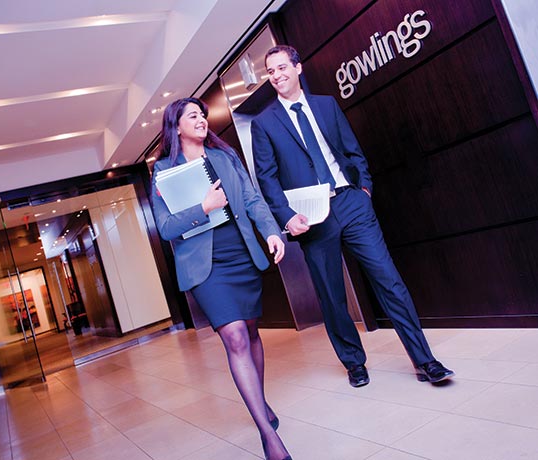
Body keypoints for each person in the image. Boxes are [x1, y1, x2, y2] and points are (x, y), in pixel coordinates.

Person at [251, 45, 454, 388]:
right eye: (271, 71)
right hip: (311, 217)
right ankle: (354, 363)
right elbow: (267, 178)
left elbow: (352, 151)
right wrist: (287, 218)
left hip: (351, 201)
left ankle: (425, 360)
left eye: (282, 67)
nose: (277, 75)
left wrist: (365, 192)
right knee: (332, 295)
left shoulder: (326, 105)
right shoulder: (263, 123)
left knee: (388, 279)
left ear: (298, 68)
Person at [151, 97, 291, 460]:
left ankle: (259, 403)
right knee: (235, 336)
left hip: (242, 253)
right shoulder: (164, 170)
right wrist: (203, 209)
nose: (201, 119)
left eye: (202, 114)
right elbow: (166, 227)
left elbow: (252, 199)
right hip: (206, 267)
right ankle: (267, 435)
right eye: (192, 116)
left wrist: (272, 231)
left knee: (251, 331)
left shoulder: (225, 157)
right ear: (176, 126)